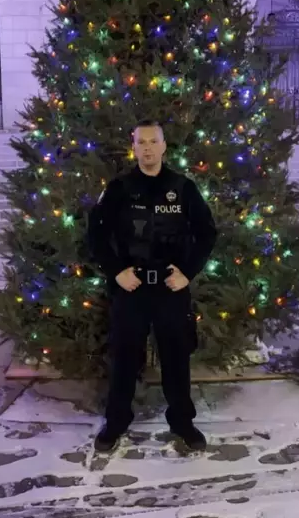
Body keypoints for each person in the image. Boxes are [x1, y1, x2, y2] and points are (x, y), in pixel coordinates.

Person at [87, 120, 218, 453]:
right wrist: (117, 272)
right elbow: (96, 236)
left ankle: (183, 423)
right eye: (140, 142)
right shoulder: (119, 188)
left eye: (153, 141)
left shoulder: (183, 187)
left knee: (176, 359)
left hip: (170, 290)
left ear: (163, 146)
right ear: (134, 147)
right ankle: (115, 423)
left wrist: (187, 272)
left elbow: (207, 233)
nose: (147, 148)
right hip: (131, 290)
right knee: (125, 359)